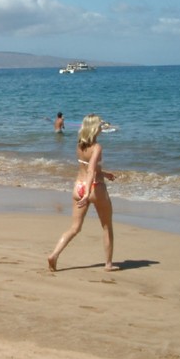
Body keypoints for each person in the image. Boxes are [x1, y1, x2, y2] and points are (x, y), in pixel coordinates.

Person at [47, 113, 118, 272]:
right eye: (99, 125)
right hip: (94, 188)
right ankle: (108, 264)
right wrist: (87, 193)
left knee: (75, 228)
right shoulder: (97, 147)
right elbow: (92, 170)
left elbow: (86, 167)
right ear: (94, 128)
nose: (101, 127)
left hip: (78, 185)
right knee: (107, 226)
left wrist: (104, 173)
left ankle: (54, 254)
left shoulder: (80, 145)